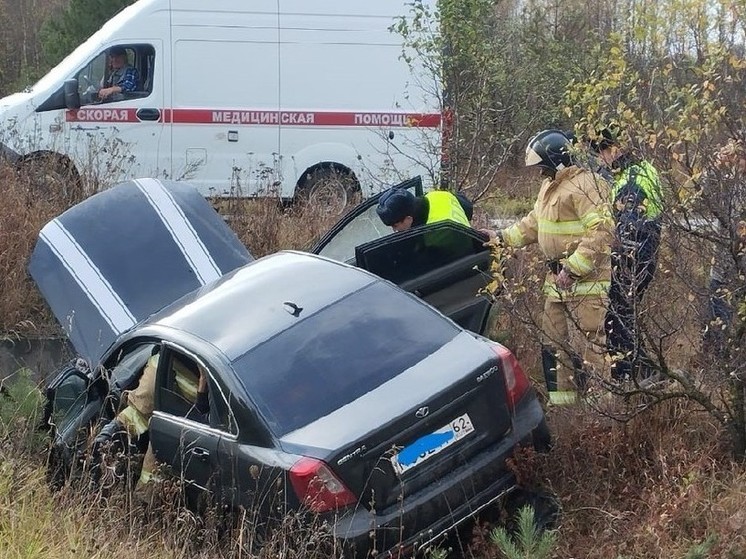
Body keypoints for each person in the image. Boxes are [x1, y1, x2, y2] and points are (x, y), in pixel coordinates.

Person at [481, 129, 614, 405]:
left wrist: (573, 268)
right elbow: (534, 222)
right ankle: (563, 410)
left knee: (595, 349)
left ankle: (602, 414)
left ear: (557, 161)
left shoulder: (587, 185)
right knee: (554, 347)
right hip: (557, 282)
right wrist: (502, 239)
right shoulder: (551, 185)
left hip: (586, 283)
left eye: (543, 166)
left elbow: (602, 231)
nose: (540, 172)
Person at [593, 127, 663, 381]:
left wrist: (615, 261)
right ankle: (642, 373)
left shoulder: (632, 179)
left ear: (613, 148)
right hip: (642, 257)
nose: (600, 160)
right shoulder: (640, 169)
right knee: (625, 317)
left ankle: (629, 377)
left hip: (633, 260)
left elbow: (628, 230)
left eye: (601, 153)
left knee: (617, 318)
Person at [92, 350, 209, 487]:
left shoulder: (162, 357)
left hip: (161, 422)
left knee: (148, 482)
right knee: (103, 445)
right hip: (162, 421)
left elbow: (199, 417)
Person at [702, 139, 746, 356]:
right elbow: (703, 191)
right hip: (723, 267)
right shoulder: (730, 181)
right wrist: (715, 166)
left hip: (740, 268)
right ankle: (716, 367)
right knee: (716, 324)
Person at [376, 187, 473, 231]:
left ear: (408, 219)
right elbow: (468, 208)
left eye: (395, 226)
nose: (395, 230)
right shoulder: (436, 195)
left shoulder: (433, 233)